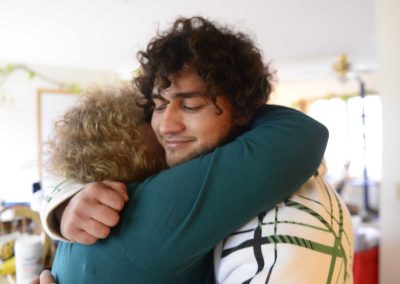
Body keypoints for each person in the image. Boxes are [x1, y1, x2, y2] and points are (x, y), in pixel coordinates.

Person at [38, 16, 336, 283]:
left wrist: (60, 204)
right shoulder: (159, 207)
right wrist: (242, 107)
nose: (166, 125)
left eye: (191, 105)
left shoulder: (79, 236)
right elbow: (303, 133)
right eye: (158, 106)